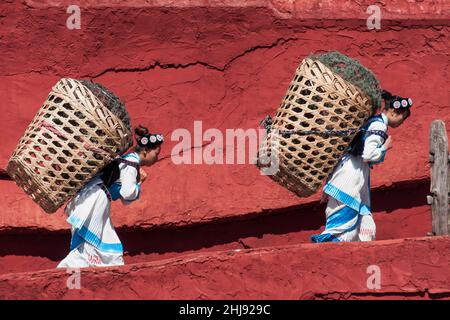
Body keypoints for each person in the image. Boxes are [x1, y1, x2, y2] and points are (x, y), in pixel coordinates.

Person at [311, 90, 412, 242]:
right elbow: (368, 155)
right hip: (348, 179)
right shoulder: (378, 125)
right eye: (402, 119)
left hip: (354, 176)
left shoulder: (373, 122)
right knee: (341, 228)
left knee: (366, 226)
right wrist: (385, 147)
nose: (401, 123)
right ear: (393, 111)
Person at [57, 125, 163, 268]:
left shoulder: (128, 160)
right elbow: (128, 193)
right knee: (100, 244)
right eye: (156, 154)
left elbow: (124, 198)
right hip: (96, 198)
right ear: (145, 150)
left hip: (93, 196)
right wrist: (138, 184)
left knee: (92, 242)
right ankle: (69, 267)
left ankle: (73, 269)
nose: (157, 158)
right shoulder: (131, 163)